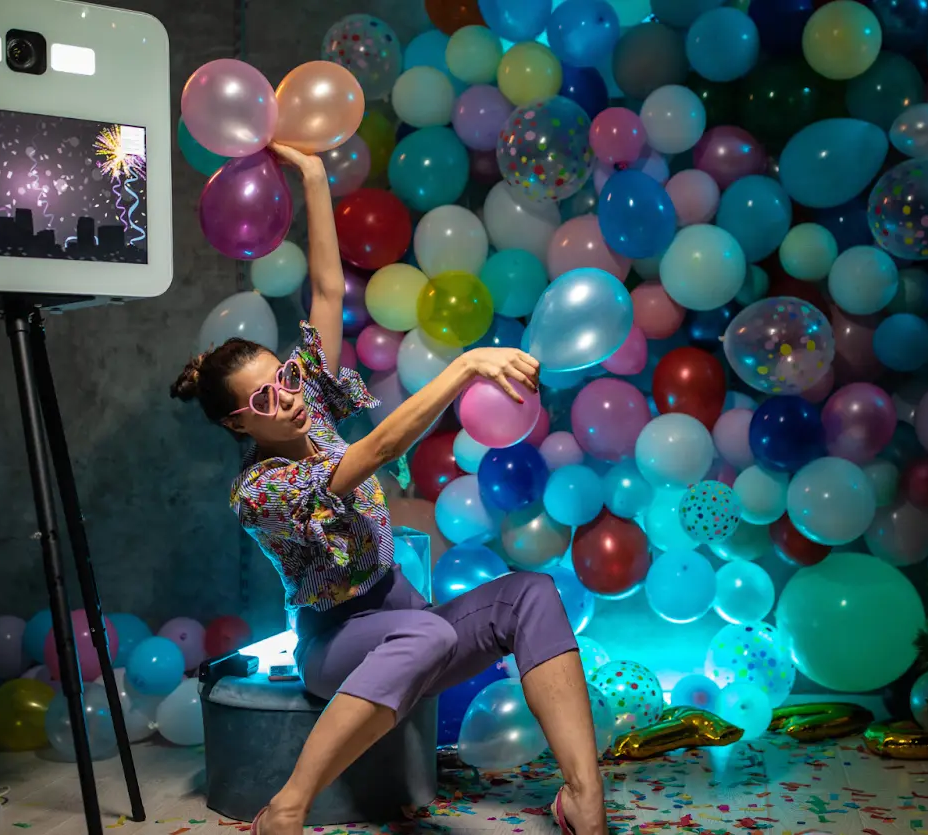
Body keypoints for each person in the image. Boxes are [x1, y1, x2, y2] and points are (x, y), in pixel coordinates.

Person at [170, 144, 608, 835]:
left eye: (282, 378)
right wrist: (464, 366)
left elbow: (323, 290)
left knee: (532, 594)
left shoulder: (305, 403)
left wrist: (313, 177)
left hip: (404, 618)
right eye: (262, 398)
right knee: (427, 632)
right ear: (234, 421)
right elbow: (378, 448)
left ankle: (584, 796)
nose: (283, 397)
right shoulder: (259, 490)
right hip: (334, 641)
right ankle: (284, 808)